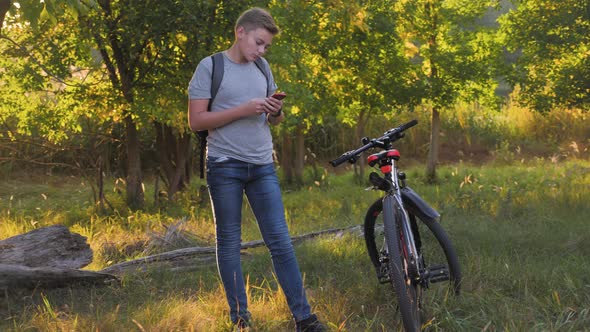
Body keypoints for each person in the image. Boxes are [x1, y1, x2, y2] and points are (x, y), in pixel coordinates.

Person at [187, 7, 326, 332]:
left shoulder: (262, 67)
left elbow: (271, 120)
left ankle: (304, 319)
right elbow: (196, 121)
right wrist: (243, 109)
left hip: (263, 165)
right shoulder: (211, 67)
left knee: (280, 241)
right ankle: (241, 321)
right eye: (259, 43)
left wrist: (274, 111)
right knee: (230, 242)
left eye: (266, 46)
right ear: (241, 32)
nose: (262, 51)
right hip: (224, 167)